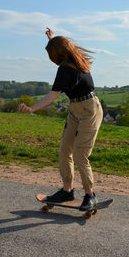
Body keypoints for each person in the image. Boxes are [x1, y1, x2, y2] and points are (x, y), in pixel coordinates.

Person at [19, 28, 103, 211]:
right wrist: (53, 39)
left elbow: (52, 95)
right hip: (75, 109)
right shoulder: (73, 58)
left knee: (80, 154)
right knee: (65, 150)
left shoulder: (67, 67)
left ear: (58, 54)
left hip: (90, 110)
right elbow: (65, 45)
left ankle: (90, 195)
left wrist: (32, 108)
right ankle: (67, 191)